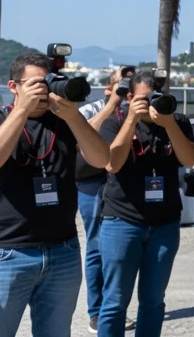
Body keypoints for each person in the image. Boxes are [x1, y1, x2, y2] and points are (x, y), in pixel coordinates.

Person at [0, 52, 113, 336]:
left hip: (62, 251)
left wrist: (73, 115)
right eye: (36, 84)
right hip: (5, 252)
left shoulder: (65, 123)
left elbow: (102, 159)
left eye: (50, 83)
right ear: (13, 87)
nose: (45, 91)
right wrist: (21, 111)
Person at [96, 69, 194, 337]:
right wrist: (131, 119)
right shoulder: (114, 122)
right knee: (115, 302)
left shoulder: (175, 120)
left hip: (164, 223)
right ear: (129, 96)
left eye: (156, 97)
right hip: (122, 221)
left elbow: (189, 159)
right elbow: (112, 163)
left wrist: (169, 124)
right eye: (143, 98)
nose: (151, 103)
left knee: (153, 301)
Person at [77, 67, 137, 333]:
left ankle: (114, 308)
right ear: (109, 88)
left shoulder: (136, 109)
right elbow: (82, 134)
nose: (127, 91)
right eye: (121, 85)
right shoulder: (92, 109)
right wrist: (112, 106)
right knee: (95, 246)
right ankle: (96, 311)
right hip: (92, 182)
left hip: (123, 182)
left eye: (131, 86)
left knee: (118, 250)